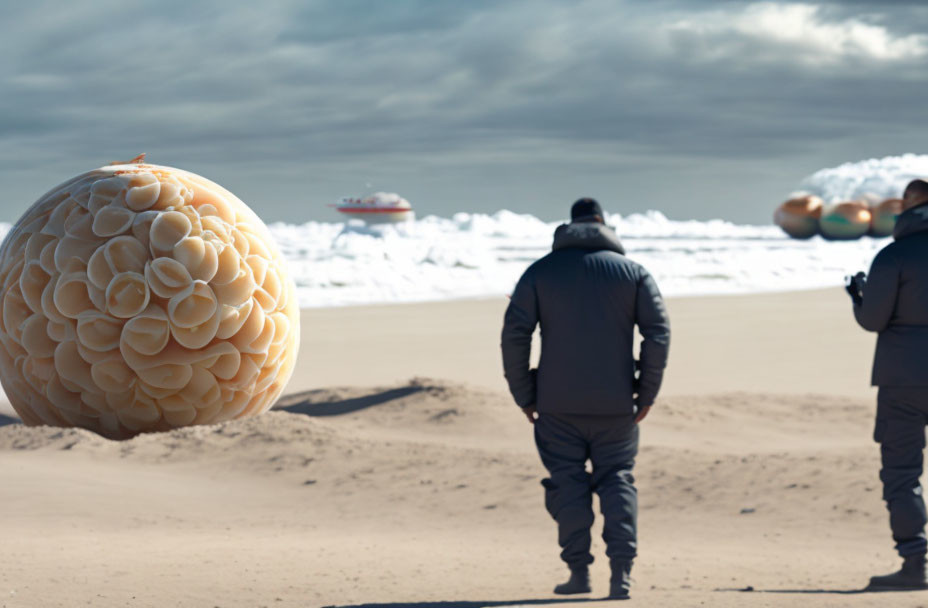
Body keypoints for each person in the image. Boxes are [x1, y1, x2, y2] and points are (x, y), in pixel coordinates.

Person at [500, 198, 670, 599]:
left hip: (556, 405)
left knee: (567, 484)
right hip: (616, 405)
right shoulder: (633, 273)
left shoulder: (540, 272)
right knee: (618, 481)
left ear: (569, 225)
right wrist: (647, 392)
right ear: (604, 225)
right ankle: (621, 575)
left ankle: (579, 574)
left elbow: (514, 335)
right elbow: (658, 334)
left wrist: (524, 395)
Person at [850, 178, 928, 590]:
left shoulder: (893, 256)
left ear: (906, 209)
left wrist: (858, 296)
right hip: (903, 379)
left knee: (902, 472)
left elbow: (872, 321)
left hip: (903, 380)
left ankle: (915, 563)